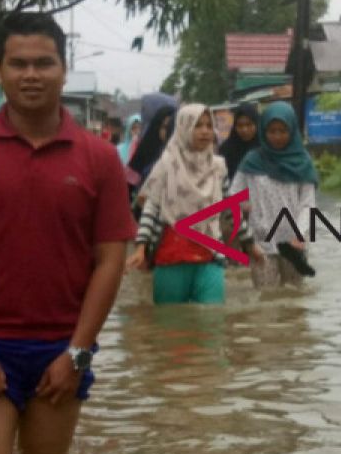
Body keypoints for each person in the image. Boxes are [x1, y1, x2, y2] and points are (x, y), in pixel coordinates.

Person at [0, 12, 135, 454]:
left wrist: (77, 354)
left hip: (61, 345)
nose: (32, 75)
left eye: (44, 63)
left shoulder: (99, 159)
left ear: (63, 68)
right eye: (18, 64)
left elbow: (110, 262)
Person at [125, 104, 262, 304]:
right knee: (171, 326)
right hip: (171, 256)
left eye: (208, 125)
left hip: (210, 256)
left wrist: (249, 244)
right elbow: (152, 208)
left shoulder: (218, 167)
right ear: (183, 128)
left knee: (212, 323)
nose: (205, 131)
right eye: (198, 126)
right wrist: (140, 247)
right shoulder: (166, 165)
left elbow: (229, 209)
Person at [229, 101, 319, 289]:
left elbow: (308, 205)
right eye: (272, 131)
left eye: (283, 131)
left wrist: (300, 234)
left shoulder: (303, 162)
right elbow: (233, 197)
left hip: (293, 240)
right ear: (263, 131)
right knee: (265, 298)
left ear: (292, 130)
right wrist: (245, 230)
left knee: (295, 299)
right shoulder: (252, 161)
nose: (277, 136)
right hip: (261, 240)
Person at [125, 105, 175, 203]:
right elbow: (128, 188)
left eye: (173, 127)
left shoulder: (185, 156)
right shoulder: (144, 152)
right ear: (156, 127)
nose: (169, 131)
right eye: (165, 127)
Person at [218, 103, 260, 183]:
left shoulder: (265, 149)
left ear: (257, 124)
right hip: (236, 194)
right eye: (240, 125)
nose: (244, 130)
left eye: (249, 124)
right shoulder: (226, 150)